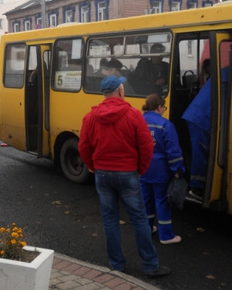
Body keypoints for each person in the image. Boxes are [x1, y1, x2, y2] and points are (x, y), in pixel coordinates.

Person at [78, 75, 170, 276]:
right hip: (128, 173)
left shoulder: (90, 117)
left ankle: (117, 265)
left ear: (104, 93)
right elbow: (146, 146)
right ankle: (150, 265)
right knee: (139, 219)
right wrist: (140, 169)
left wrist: (94, 167)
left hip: (102, 174)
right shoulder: (133, 115)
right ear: (120, 91)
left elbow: (83, 146)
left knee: (110, 219)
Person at [140, 94, 185, 244]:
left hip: (143, 169)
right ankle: (166, 236)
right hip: (160, 171)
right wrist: (178, 169)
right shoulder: (166, 125)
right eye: (164, 107)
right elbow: (173, 151)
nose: (164, 110)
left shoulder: (138, 122)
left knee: (146, 201)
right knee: (162, 201)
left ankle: (146, 229)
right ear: (159, 107)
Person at [182, 77, 211, 200]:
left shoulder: (225, 75)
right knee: (200, 152)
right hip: (199, 119)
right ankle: (197, 188)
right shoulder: (227, 77)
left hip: (199, 116)